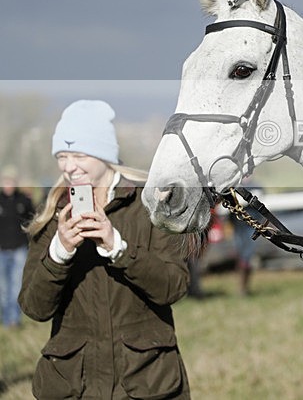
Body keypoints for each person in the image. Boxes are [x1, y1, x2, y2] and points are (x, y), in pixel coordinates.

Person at [18, 100, 191, 399]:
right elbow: (34, 307)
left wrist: (118, 247)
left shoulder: (149, 205)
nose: (68, 166)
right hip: (75, 386)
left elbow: (173, 288)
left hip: (146, 381)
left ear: (104, 155)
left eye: (79, 155)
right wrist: (59, 253)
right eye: (62, 156)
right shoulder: (52, 215)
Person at [0, 165, 34, 328]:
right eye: (5, 181)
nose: (8, 184)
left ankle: (14, 320)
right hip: (1, 250)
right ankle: (5, 318)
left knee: (16, 286)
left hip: (20, 249)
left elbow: (33, 222)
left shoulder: (24, 200)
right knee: (3, 288)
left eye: (11, 181)